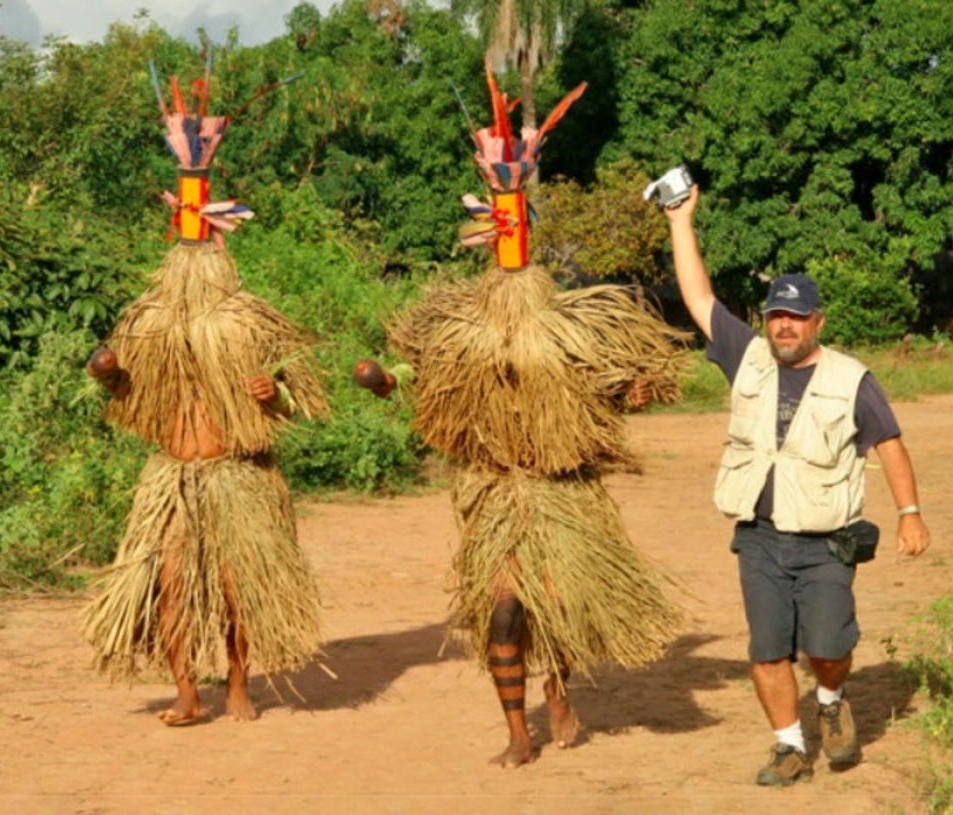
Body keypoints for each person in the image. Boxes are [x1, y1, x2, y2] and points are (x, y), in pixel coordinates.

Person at [358, 70, 687, 767]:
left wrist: (630, 392)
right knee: (504, 609)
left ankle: (559, 686)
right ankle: (517, 730)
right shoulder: (459, 327)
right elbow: (418, 374)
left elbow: (636, 376)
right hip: (495, 493)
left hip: (560, 492)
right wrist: (387, 381)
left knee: (555, 607)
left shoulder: (570, 323)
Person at [79, 67, 329, 726]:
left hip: (236, 474)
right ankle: (188, 691)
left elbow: (301, 388)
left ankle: (239, 681)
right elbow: (123, 382)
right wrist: (106, 371)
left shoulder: (246, 315)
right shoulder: (148, 316)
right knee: (167, 582)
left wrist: (271, 389)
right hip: (171, 474)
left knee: (235, 586)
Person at [662, 184, 931, 785]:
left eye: (795, 317)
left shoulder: (852, 379)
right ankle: (789, 745)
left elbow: (889, 444)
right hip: (758, 536)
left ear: (817, 322)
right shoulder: (748, 355)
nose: (783, 327)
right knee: (767, 649)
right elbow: (698, 298)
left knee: (829, 646)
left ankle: (831, 700)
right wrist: (681, 221)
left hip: (825, 539)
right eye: (775, 316)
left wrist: (909, 510)